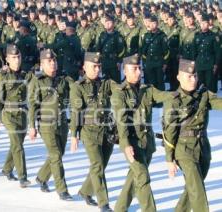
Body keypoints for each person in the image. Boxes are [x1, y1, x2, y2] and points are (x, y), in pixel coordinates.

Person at [111, 54, 171, 212]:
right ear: (125, 70)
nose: (139, 72)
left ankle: (119, 208)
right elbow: (121, 121)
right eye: (134, 69)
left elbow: (162, 95)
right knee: (143, 177)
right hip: (132, 142)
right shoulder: (120, 92)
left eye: (140, 68)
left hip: (147, 142)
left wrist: (178, 94)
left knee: (134, 178)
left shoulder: (147, 89)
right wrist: (125, 144)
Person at [163, 58, 222, 212]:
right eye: (189, 76)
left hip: (203, 148)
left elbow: (220, 103)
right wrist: (169, 159)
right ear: (178, 77)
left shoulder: (204, 94)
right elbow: (169, 131)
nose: (193, 79)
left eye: (195, 75)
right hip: (184, 150)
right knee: (198, 192)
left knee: (193, 188)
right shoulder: (173, 100)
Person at [70, 52, 114, 212]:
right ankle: (104, 203)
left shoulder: (106, 83)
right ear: (84, 67)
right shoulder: (78, 86)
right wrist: (74, 134)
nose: (97, 69)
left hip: (106, 131)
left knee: (101, 165)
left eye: (99, 66)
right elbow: (76, 111)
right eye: (93, 66)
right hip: (89, 131)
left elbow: (120, 90)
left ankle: (85, 191)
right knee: (97, 165)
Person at [28, 49, 72, 201]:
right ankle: (62, 190)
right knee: (56, 155)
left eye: (54, 61)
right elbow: (33, 105)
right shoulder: (37, 80)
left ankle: (42, 177)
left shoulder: (63, 79)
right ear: (42, 64)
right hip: (46, 124)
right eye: (49, 61)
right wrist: (32, 126)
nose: (53, 64)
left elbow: (75, 91)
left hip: (62, 122)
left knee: (59, 154)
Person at [0, 44, 33, 187]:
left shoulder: (25, 74)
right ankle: (23, 177)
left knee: (17, 144)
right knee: (17, 145)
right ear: (7, 59)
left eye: (19, 57)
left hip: (22, 113)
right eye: (14, 58)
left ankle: (7, 169)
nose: (17, 60)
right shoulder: (2, 75)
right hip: (8, 114)